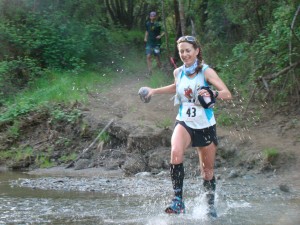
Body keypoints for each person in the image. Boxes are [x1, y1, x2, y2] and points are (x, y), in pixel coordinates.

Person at [141, 35, 232, 217]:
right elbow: (176, 87)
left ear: (196, 51)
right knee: (175, 151)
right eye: (181, 51)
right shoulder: (178, 72)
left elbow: (227, 93)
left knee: (207, 172)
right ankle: (177, 201)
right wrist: (153, 91)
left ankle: (210, 207)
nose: (184, 54)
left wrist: (211, 93)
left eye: (187, 50)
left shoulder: (206, 72)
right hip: (184, 121)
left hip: (205, 125)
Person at [144, 11, 164, 76]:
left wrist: (160, 36)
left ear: (156, 17)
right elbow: (147, 31)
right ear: (150, 17)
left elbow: (164, 31)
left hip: (156, 43)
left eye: (154, 16)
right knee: (148, 56)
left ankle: (161, 68)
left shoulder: (158, 24)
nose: (153, 17)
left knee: (157, 57)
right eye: (151, 16)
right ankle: (150, 71)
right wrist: (145, 38)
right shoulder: (147, 24)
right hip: (149, 43)